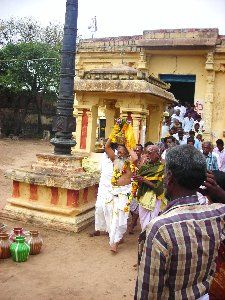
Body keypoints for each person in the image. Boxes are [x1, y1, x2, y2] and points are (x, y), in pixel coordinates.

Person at [135, 145, 225, 300]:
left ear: (169, 178)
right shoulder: (217, 214)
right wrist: (219, 193)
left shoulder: (159, 229)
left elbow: (148, 293)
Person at [105, 138, 137, 253]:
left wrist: (127, 145)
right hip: (114, 191)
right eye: (118, 150)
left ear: (127, 152)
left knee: (121, 217)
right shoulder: (115, 160)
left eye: (121, 150)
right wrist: (112, 136)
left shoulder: (129, 161)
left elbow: (135, 158)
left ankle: (116, 241)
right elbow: (107, 148)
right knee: (114, 216)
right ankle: (117, 239)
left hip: (125, 192)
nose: (119, 152)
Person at [134, 145, 166, 231]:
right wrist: (139, 180)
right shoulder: (144, 167)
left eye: (150, 153)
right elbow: (139, 183)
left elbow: (159, 187)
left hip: (155, 196)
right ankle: (145, 238)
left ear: (157, 154)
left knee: (153, 221)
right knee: (143, 220)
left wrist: (144, 180)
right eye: (146, 153)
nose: (147, 155)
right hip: (143, 195)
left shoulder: (162, 168)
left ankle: (149, 239)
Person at [89, 143, 116, 237]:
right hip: (102, 187)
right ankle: (98, 229)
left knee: (109, 210)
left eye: (107, 147)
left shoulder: (116, 157)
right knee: (99, 208)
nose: (105, 149)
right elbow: (101, 170)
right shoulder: (104, 156)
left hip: (112, 188)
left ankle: (110, 231)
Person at [129, 144, 144, 234]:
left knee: (137, 205)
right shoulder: (129, 160)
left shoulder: (144, 161)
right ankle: (133, 222)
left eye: (138, 150)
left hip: (140, 185)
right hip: (129, 185)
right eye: (134, 150)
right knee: (131, 206)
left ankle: (133, 223)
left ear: (141, 152)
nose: (136, 152)